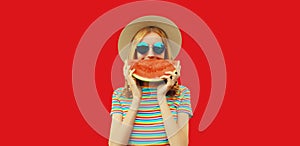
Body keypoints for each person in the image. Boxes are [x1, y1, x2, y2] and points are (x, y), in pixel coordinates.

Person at [109, 16, 193, 146]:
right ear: (134, 53)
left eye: (158, 47)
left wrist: (161, 98)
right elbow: (115, 145)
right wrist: (136, 99)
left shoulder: (182, 94)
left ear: (166, 53)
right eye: (142, 48)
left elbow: (180, 145)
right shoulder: (119, 95)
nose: (150, 54)